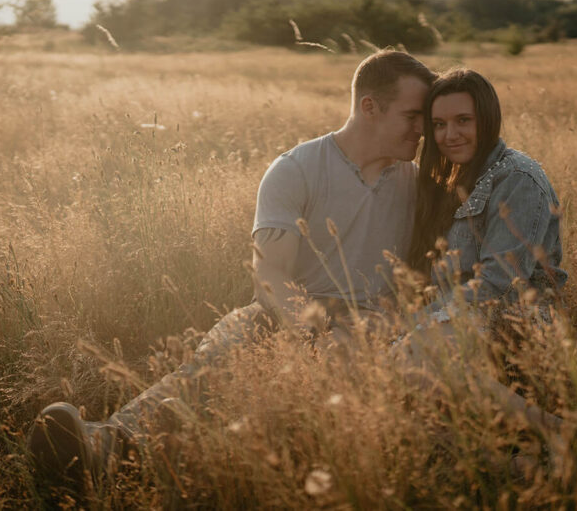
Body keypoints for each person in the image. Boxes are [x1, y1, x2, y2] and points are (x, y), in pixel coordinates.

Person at [27, 50, 436, 492]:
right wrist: (314, 332)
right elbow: (270, 276)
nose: (423, 131)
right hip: (296, 315)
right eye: (413, 116)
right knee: (232, 346)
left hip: (377, 327)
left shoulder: (418, 182)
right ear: (369, 106)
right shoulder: (296, 169)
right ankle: (108, 446)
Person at [407, 67, 566, 315]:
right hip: (452, 320)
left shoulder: (517, 178)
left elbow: (500, 285)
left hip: (509, 326)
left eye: (463, 120)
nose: (450, 135)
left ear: (487, 119)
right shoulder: (452, 179)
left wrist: (417, 324)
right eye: (439, 124)